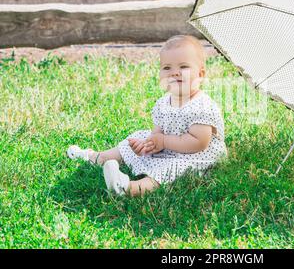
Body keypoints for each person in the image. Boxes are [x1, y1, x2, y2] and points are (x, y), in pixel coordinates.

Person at [67, 35, 227, 197]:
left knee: (172, 168)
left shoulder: (202, 106)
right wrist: (149, 144)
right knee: (140, 135)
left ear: (200, 74)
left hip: (196, 157)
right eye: (167, 68)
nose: (174, 73)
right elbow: (158, 131)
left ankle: (128, 188)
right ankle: (98, 157)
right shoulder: (164, 102)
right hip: (170, 147)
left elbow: (199, 142)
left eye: (183, 67)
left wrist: (164, 141)